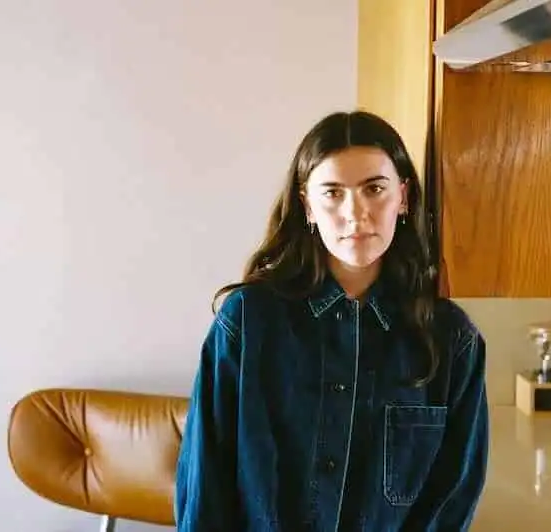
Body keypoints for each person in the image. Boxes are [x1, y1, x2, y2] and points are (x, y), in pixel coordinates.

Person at [174, 110, 489, 531]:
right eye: (333, 193)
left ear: (404, 197)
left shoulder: (452, 340)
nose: (355, 214)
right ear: (307, 204)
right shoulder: (248, 323)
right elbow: (204, 487)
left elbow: (452, 501)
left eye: (374, 189)